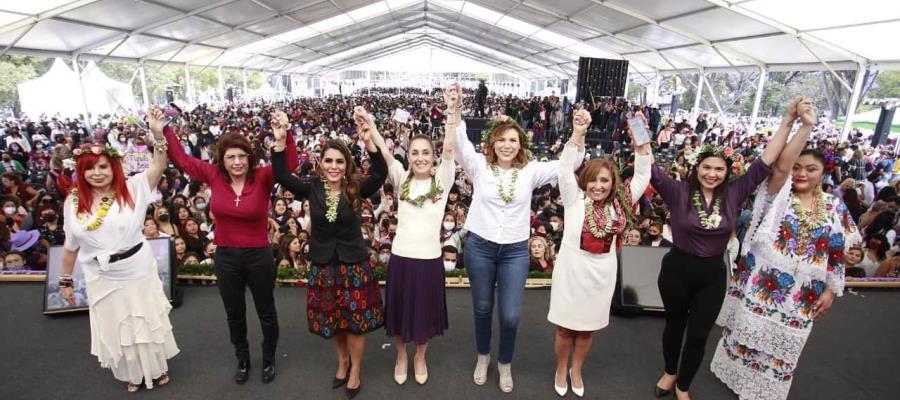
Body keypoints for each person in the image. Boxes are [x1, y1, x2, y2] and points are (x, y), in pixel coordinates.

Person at [652, 98, 805, 400]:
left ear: (727, 171)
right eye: (706, 167)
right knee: (674, 325)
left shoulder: (735, 192)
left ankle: (683, 385)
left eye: (719, 169)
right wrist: (640, 136)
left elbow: (765, 162)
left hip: (712, 273)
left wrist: (789, 120)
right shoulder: (677, 191)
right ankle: (670, 372)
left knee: (698, 334)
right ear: (696, 168)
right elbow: (650, 166)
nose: (712, 173)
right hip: (676, 269)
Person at [711, 101, 862, 400]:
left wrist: (831, 290)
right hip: (761, 285)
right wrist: (803, 126)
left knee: (781, 353)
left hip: (801, 295)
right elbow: (780, 166)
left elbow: (837, 252)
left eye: (811, 169)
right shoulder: (778, 194)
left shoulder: (834, 206)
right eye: (798, 167)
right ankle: (738, 384)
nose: (802, 173)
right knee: (746, 342)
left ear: (823, 172)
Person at [453, 88, 584, 394]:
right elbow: (460, 145)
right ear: (492, 143)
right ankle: (484, 357)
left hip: (514, 252)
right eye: (502, 139)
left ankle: (505, 362)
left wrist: (578, 133)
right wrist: (455, 109)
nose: (507, 145)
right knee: (483, 308)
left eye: (513, 140)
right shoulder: (479, 167)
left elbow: (568, 165)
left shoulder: (531, 171)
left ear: (520, 144)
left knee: (510, 316)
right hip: (480, 248)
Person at [162, 108, 297, 385]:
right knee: (234, 313)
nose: (237, 162)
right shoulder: (213, 175)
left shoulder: (262, 176)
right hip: (226, 257)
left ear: (250, 157)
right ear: (222, 160)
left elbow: (290, 165)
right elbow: (181, 159)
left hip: (259, 256)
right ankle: (243, 358)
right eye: (231, 157)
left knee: (266, 310)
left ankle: (269, 357)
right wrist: (164, 128)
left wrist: (286, 135)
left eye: (242, 156)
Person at [271, 106, 387, 399]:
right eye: (328, 161)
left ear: (347, 165)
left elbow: (381, 171)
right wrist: (280, 140)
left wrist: (369, 140)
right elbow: (282, 174)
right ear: (320, 164)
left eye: (339, 161)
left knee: (355, 324)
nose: (334, 166)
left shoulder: (356, 188)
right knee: (334, 320)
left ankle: (356, 369)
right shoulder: (312, 189)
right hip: (324, 265)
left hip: (353, 265)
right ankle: (342, 361)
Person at [59, 107, 177, 392]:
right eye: (90, 168)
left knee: (144, 317)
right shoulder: (73, 203)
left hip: (136, 267)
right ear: (81, 171)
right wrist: (65, 281)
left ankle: (156, 368)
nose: (97, 173)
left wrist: (158, 135)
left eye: (102, 167)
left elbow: (158, 167)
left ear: (113, 168)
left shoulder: (133, 188)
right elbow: (70, 246)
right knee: (117, 323)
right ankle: (132, 372)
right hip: (101, 275)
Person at [547, 109, 651, 398]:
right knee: (566, 329)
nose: (598, 186)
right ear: (585, 181)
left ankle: (576, 369)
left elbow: (643, 172)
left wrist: (640, 135)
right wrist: (578, 131)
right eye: (593, 180)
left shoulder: (623, 202)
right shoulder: (573, 197)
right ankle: (560, 368)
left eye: (604, 181)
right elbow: (564, 169)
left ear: (612, 183)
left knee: (587, 330)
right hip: (571, 269)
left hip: (602, 272)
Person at [375, 83, 459, 386]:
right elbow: (384, 151)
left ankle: (420, 356)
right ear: (408, 155)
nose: (421, 157)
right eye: (415, 152)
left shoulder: (443, 178)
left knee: (424, 315)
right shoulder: (401, 177)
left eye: (426, 152)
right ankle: (401, 355)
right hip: (401, 258)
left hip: (429, 260)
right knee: (398, 314)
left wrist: (452, 109)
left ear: (433, 155)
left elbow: (450, 147)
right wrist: (369, 125)